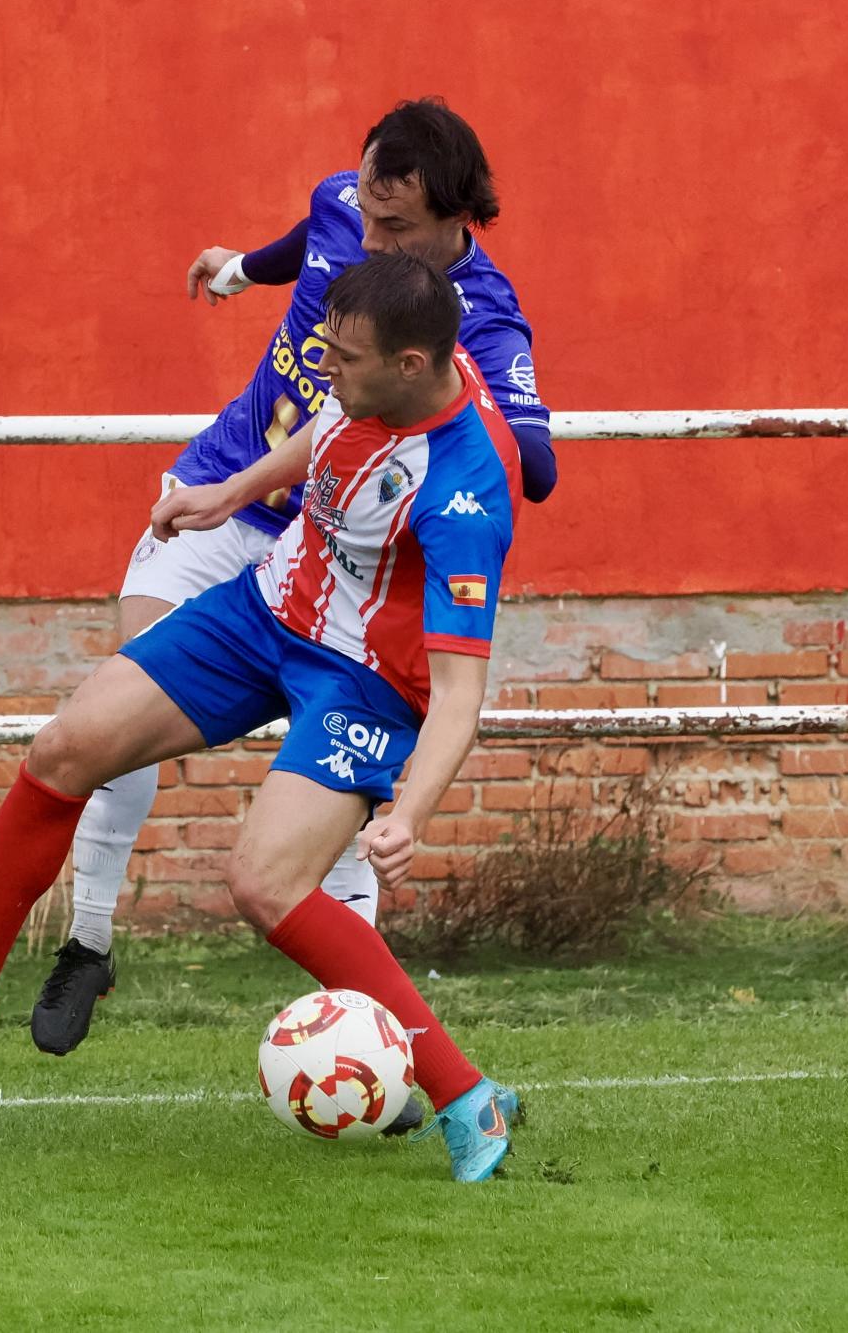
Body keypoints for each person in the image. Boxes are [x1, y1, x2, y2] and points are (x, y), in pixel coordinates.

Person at [0, 253, 526, 1183]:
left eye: (348, 359)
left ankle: (467, 1097)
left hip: (362, 682)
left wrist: (412, 812)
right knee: (65, 750)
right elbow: (322, 431)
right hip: (265, 611)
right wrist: (226, 495)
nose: (329, 369)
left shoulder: (467, 494)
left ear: (410, 364)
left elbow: (461, 689)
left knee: (266, 885)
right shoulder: (374, 386)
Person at [34, 97, 555, 1063]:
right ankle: (88, 941)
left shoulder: (484, 321)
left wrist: (495, 444)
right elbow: (299, 239)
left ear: (457, 222)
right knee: (118, 708)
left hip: (342, 557)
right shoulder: (346, 205)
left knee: (337, 794)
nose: (367, 235)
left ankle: (377, 1034)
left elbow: (533, 461)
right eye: (362, 209)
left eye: (393, 227)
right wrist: (239, 270)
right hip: (228, 490)